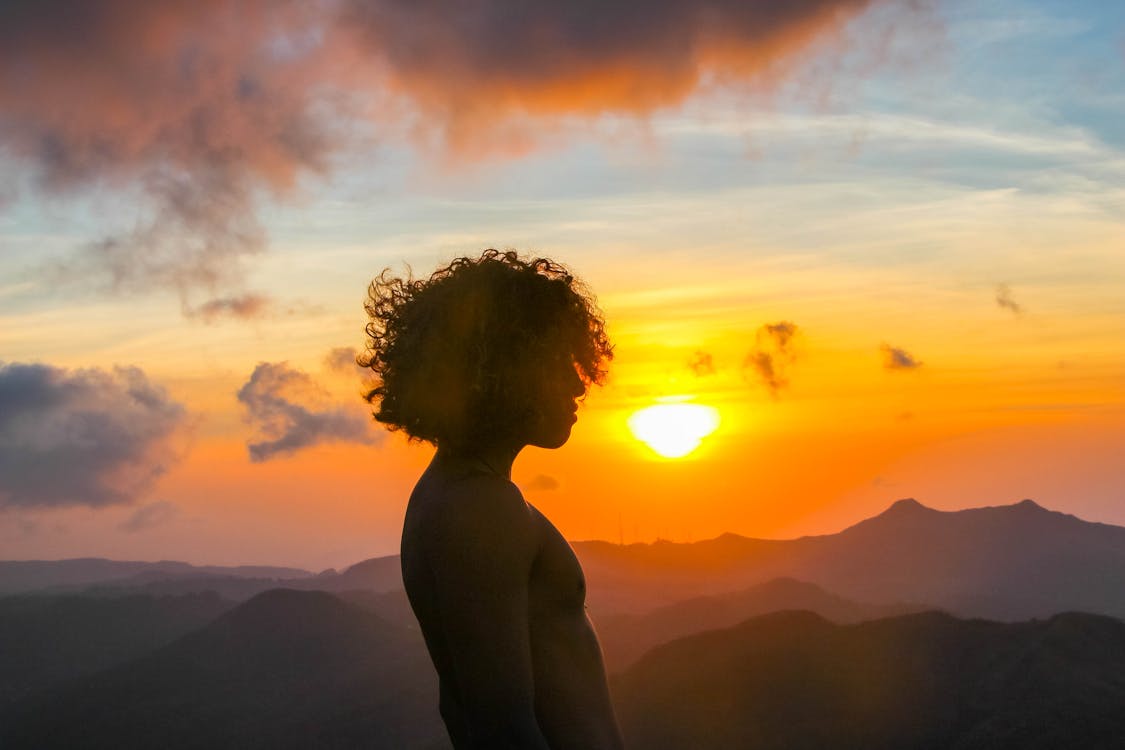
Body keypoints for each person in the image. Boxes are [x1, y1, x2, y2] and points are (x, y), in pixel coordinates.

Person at [360, 249, 625, 749]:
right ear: (503, 372)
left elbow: (456, 701)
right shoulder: (479, 509)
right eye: (557, 362)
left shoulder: (459, 494)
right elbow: (500, 728)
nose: (577, 383)